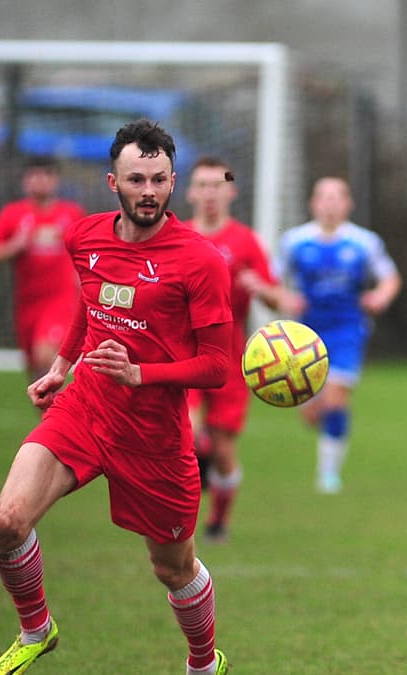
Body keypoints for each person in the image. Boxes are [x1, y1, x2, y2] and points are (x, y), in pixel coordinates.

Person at [0, 119, 232, 675]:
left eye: (160, 180)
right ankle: (36, 630)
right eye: (136, 179)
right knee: (7, 522)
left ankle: (202, 663)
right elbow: (90, 305)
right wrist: (62, 365)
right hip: (86, 406)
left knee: (173, 567)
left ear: (173, 183)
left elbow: (217, 367)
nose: (149, 191)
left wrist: (140, 374)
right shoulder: (85, 236)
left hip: (154, 436)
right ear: (111, 182)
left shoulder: (201, 260)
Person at [276, 176, 401, 494]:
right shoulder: (295, 241)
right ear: (313, 203)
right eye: (323, 197)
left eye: (337, 197)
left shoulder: (364, 242)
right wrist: (284, 299)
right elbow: (273, 279)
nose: (330, 203)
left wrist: (380, 297)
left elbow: (390, 278)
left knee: (334, 400)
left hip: (347, 330)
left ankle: (328, 475)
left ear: (348, 204)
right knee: (311, 413)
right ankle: (325, 436)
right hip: (304, 334)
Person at [184, 155, 286, 541]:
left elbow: (279, 297)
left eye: (218, 185)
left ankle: (219, 520)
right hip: (186, 357)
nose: (210, 193)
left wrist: (262, 289)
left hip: (229, 361)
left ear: (231, 192)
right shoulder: (178, 236)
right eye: (203, 185)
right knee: (190, 436)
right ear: (191, 191)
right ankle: (183, 516)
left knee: (224, 452)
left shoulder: (245, 241)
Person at [0, 156, 86, 381]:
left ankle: (74, 414)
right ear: (25, 181)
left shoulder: (72, 214)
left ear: (56, 180)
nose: (41, 181)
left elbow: (87, 252)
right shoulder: (13, 214)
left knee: (44, 356)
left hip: (62, 300)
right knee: (36, 376)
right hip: (28, 305)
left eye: (47, 175)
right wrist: (15, 246)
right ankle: (54, 416)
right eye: (35, 175)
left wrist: (83, 276)